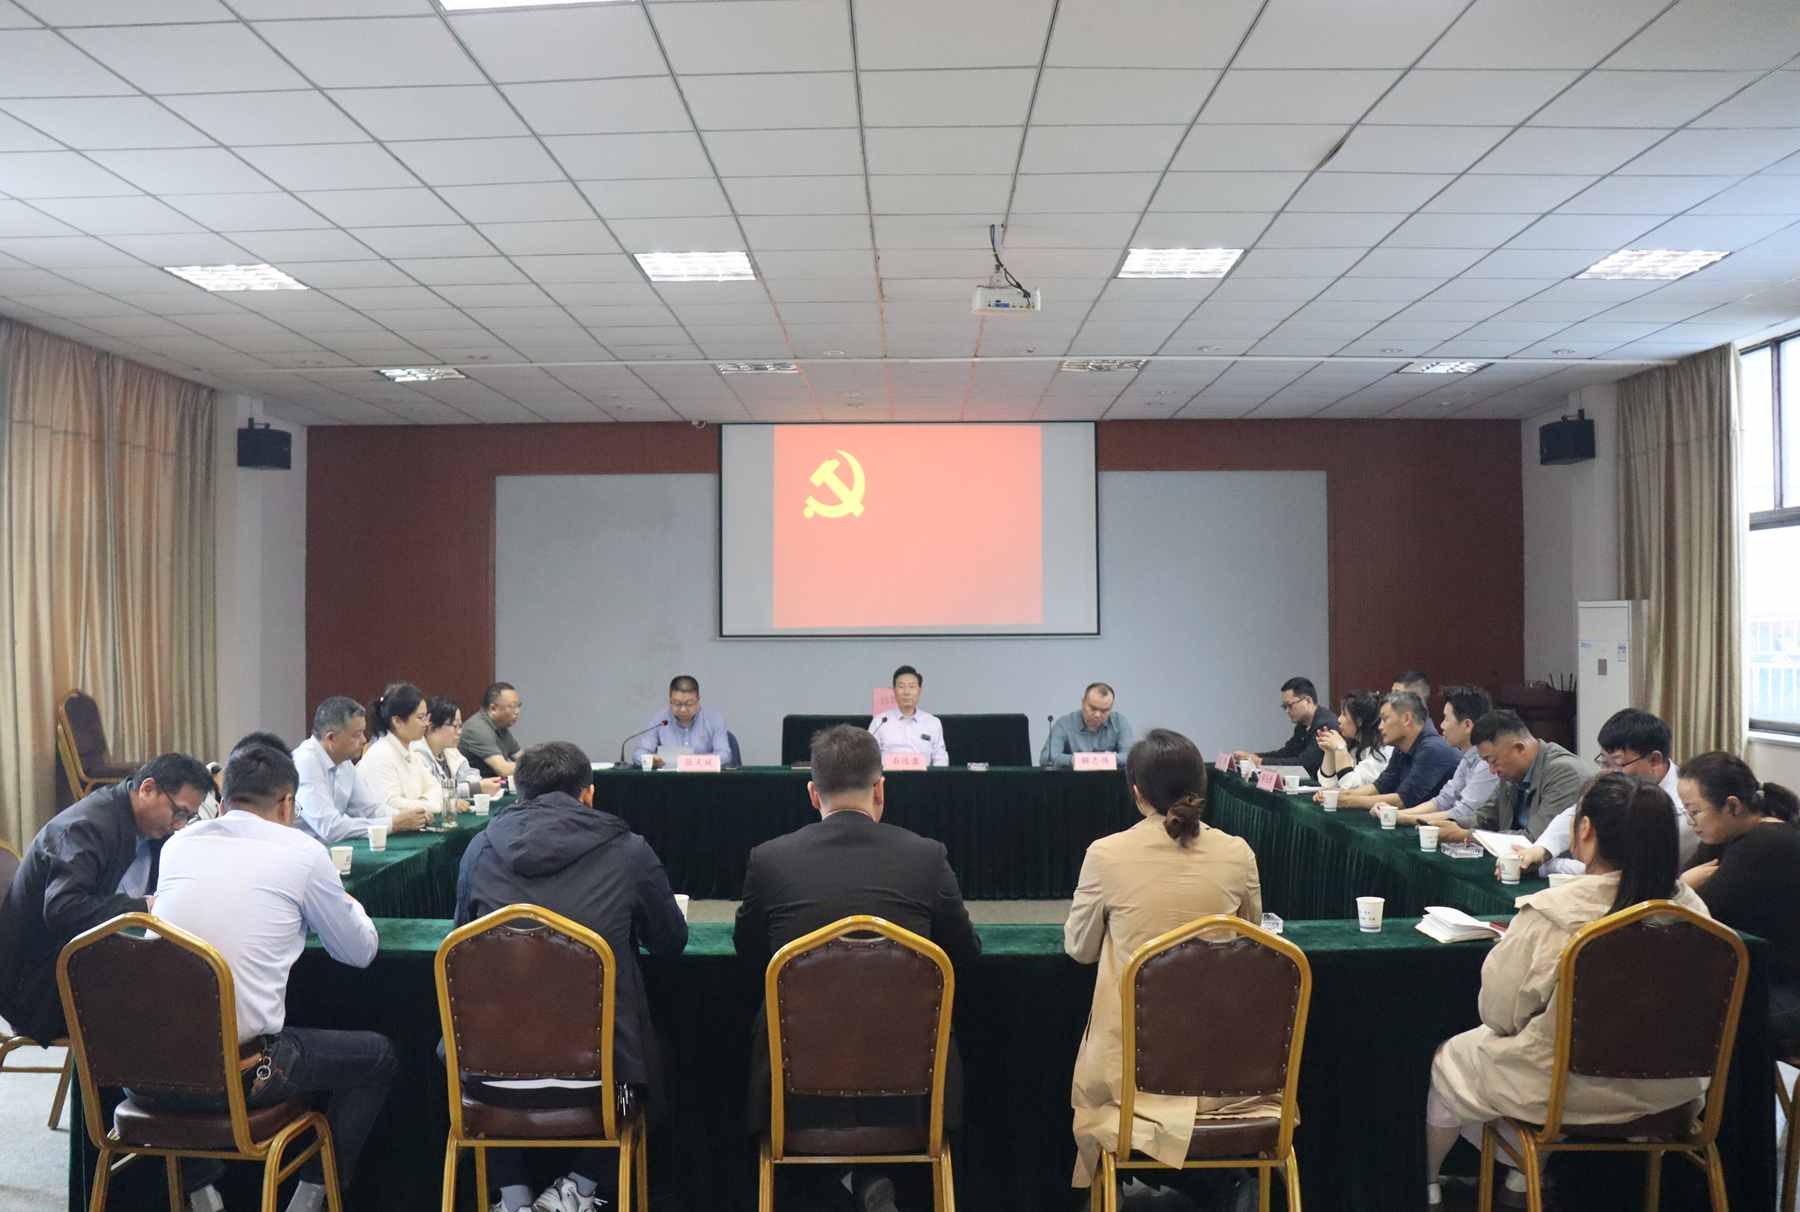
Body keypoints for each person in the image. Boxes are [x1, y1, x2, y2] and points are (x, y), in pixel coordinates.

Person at [1422, 774, 1710, 1208]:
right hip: (1675, 1095)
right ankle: (1521, 1180)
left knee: (1454, 1058)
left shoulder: (1554, 913)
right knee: (1523, 1060)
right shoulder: (1696, 912)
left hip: (1563, 1093)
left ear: (1586, 830)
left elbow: (1498, 1014)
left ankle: (1429, 1187)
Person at [735, 725, 979, 1212]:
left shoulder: (770, 860)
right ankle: (863, 1179)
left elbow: (749, 955)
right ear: (880, 789)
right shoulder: (926, 857)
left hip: (794, 1084)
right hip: (913, 1087)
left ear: (812, 793)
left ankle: (843, 1182)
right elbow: (965, 955)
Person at [147, 743, 395, 1212]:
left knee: (187, 1035)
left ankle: (201, 1193)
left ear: (221, 801)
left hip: (145, 1071)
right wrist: (349, 905)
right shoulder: (303, 852)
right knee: (378, 1057)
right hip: (242, 1076)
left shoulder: (177, 845)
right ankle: (311, 1197)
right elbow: (359, 952)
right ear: (287, 805)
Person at [454, 741, 688, 1212]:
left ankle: (511, 1196)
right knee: (651, 1059)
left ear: (519, 793)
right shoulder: (628, 851)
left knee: (477, 1043)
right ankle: (581, 1186)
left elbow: (462, 942)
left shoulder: (480, 848)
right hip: (603, 1081)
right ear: (589, 794)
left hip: (482, 1078)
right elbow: (669, 941)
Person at [1065, 729, 1265, 1193]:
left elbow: (1080, 949)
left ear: (1136, 791)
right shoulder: (1238, 854)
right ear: (1202, 785)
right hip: (1230, 1072)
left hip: (1131, 1073)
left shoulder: (1105, 854)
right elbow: (1254, 941)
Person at [0, 754, 212, 1044]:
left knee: (185, 985)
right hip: (38, 988)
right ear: (148, 789)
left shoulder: (149, 829)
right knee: (165, 1007)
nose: (179, 825)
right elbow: (63, 909)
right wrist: (141, 908)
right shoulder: (86, 828)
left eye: (187, 818)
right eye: (179, 813)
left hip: (85, 965)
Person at [1674, 751, 1800, 1050]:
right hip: (1757, 977)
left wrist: (1682, 886)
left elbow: (1693, 915)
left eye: (1695, 812)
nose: (1691, 823)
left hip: (1786, 990)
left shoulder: (1766, 844)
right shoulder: (1728, 836)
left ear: (1732, 805)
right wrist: (1682, 885)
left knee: (1680, 1012)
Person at [1519, 709, 1697, 873]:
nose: (1608, 773)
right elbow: (1578, 811)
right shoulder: (1622, 785)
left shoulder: (1682, 808)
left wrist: (1548, 866)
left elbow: (1620, 871)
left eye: (1617, 764)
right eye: (1604, 762)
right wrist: (1541, 849)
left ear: (1654, 760)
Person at [293, 697, 430, 844]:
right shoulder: (305, 762)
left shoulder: (343, 761)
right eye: (357, 734)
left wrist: (408, 816)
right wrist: (393, 823)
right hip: (301, 850)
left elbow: (369, 809)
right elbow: (330, 828)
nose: (364, 740)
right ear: (331, 738)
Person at [1468, 710, 1588, 842]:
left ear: (1519, 748)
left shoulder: (1564, 773)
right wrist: (1453, 824)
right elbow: (1485, 817)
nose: (1492, 770)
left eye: (1493, 761)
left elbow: (1536, 839)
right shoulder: (1510, 774)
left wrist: (1468, 836)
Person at [1396, 685, 1499, 833]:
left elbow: (1463, 814)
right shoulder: (1468, 756)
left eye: (1446, 719)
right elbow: (1443, 800)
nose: (1441, 725)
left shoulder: (1487, 764)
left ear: (1467, 725)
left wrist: (1406, 818)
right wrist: (1400, 814)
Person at [1336, 692, 1459, 813]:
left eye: (1385, 719)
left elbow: (1403, 801)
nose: (1380, 726)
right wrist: (1343, 795)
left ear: (1406, 719)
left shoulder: (1433, 749)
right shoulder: (1401, 747)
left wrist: (1348, 801)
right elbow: (1380, 786)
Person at [356, 681, 446, 818]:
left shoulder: (410, 751)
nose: (426, 724)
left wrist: (422, 801)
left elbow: (436, 788)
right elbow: (391, 804)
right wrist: (431, 805)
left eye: (426, 717)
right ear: (397, 721)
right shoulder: (381, 754)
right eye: (420, 718)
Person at [1233, 676, 1337, 780]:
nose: (1287, 711)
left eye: (1290, 705)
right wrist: (1254, 756)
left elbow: (1304, 764)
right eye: (1284, 707)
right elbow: (1287, 753)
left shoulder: (1325, 725)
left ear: (1308, 701)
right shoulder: (1302, 725)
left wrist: (1260, 762)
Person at [416, 696, 502, 810]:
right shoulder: (417, 754)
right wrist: (474, 788)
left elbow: (471, 774)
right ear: (432, 727)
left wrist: (477, 785)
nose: (460, 732)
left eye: (460, 726)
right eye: (455, 726)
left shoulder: (450, 750)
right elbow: (436, 792)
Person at [631, 675, 733, 768]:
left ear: (698, 700)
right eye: (677, 703)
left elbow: (725, 755)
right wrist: (650, 760)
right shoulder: (660, 720)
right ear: (670, 700)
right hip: (668, 779)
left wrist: (692, 762)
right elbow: (639, 754)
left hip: (704, 779)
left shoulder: (714, 719)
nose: (683, 709)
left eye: (689, 704)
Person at [868, 665, 948, 767]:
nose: (906, 692)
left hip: (924, 776)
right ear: (894, 691)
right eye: (901, 687)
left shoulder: (932, 722)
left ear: (919, 691)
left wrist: (937, 776)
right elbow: (869, 755)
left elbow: (940, 758)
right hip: (888, 776)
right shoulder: (880, 721)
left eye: (912, 687)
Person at [1041, 682, 1135, 769]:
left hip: (1109, 780)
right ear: (1083, 702)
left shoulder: (1119, 722)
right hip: (1073, 779)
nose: (1097, 715)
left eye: (1104, 711)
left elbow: (1131, 757)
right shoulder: (1065, 723)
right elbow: (1046, 758)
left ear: (1111, 708)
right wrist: (1075, 760)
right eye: (1093, 708)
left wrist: (1100, 760)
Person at [1314, 690, 1389, 791]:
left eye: (1344, 714)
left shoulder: (1381, 751)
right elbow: (1328, 784)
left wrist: (1340, 748)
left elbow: (1349, 786)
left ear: (1359, 720)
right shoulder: (1356, 748)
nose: (1339, 719)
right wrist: (1329, 752)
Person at [460, 682, 524, 778]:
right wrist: (534, 767)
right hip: (476, 785)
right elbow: (503, 770)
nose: (517, 711)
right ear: (493, 708)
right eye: (512, 706)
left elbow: (522, 758)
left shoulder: (501, 726)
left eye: (518, 706)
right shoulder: (477, 729)